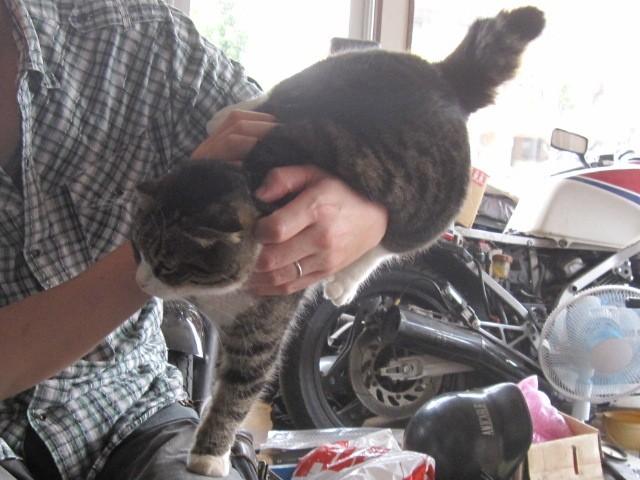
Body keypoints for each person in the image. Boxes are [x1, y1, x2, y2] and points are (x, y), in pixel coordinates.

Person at [0, 1, 388, 479]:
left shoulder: (143, 40)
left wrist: (369, 211)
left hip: (134, 411)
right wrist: (147, 262)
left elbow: (336, 138)